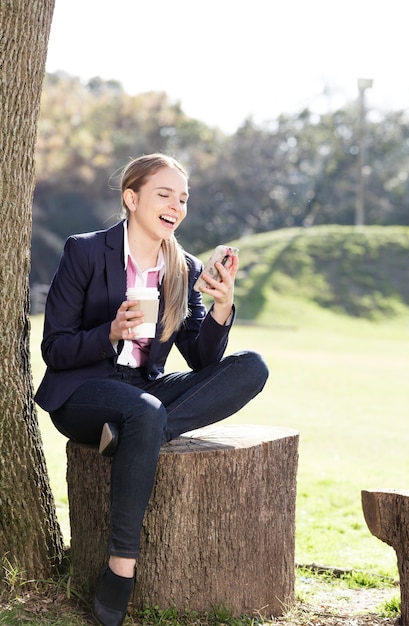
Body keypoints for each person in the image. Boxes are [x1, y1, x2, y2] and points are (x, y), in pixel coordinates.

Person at [35, 153, 269, 626]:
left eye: (182, 198)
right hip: (84, 389)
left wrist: (222, 308)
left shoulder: (182, 266)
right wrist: (109, 333)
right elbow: (54, 349)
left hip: (144, 391)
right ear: (131, 197)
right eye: (164, 194)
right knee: (144, 410)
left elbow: (204, 362)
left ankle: (140, 432)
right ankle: (121, 567)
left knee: (252, 367)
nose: (176, 205)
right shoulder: (84, 250)